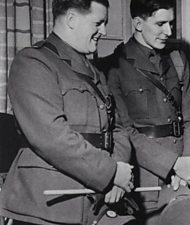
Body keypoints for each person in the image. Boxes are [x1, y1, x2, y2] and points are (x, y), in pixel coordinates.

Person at [0, 1, 135, 225]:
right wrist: (111, 172)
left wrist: (118, 174)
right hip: (48, 206)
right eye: (98, 23)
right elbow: (52, 137)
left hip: (96, 200)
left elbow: (118, 129)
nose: (103, 31)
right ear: (71, 19)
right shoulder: (33, 62)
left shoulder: (95, 72)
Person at [96, 0, 190, 224]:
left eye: (171, 23)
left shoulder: (178, 59)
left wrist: (189, 165)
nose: (169, 31)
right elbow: (125, 131)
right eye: (160, 24)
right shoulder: (113, 66)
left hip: (187, 171)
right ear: (137, 23)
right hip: (147, 177)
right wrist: (173, 164)